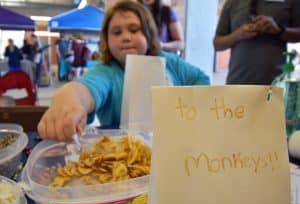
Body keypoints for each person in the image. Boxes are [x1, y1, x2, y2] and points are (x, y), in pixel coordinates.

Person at [37, 0, 210, 142]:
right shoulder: (107, 71)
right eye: (116, 32)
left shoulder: (170, 62)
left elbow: (202, 80)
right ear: (106, 39)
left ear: (149, 35)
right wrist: (69, 100)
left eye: (134, 30)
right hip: (125, 160)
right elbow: (84, 89)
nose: (125, 37)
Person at [214, 0, 300, 85]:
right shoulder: (232, 2)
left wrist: (279, 30)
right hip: (237, 82)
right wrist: (237, 35)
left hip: (275, 84)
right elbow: (217, 44)